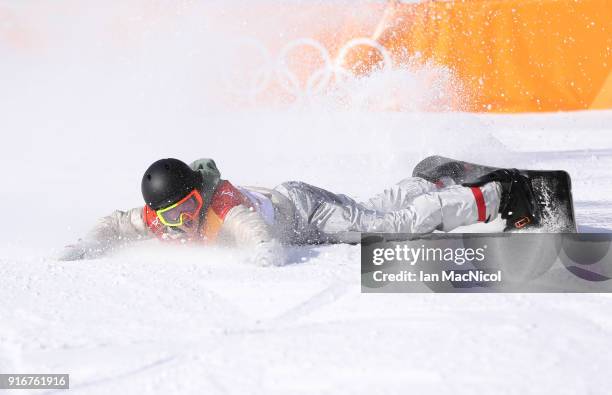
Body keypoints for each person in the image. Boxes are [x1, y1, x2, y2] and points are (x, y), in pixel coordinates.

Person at [59, 157, 535, 265]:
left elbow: (258, 238)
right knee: (368, 213)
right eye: (169, 218)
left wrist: (265, 254)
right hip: (293, 206)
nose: (179, 224)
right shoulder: (160, 217)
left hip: (304, 212)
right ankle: (425, 181)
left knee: (390, 228)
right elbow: (116, 222)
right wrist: (86, 242)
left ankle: (498, 196)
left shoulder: (225, 212)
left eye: (187, 210)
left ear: (199, 199)